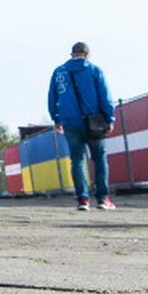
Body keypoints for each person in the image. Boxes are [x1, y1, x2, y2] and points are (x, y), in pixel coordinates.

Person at [47, 42, 116, 211]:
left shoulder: (59, 72)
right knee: (99, 158)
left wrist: (56, 118)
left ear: (72, 54)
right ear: (87, 54)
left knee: (77, 160)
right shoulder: (94, 71)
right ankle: (102, 198)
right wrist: (109, 118)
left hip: (70, 122)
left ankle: (83, 199)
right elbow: (105, 96)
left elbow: (52, 96)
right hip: (94, 122)